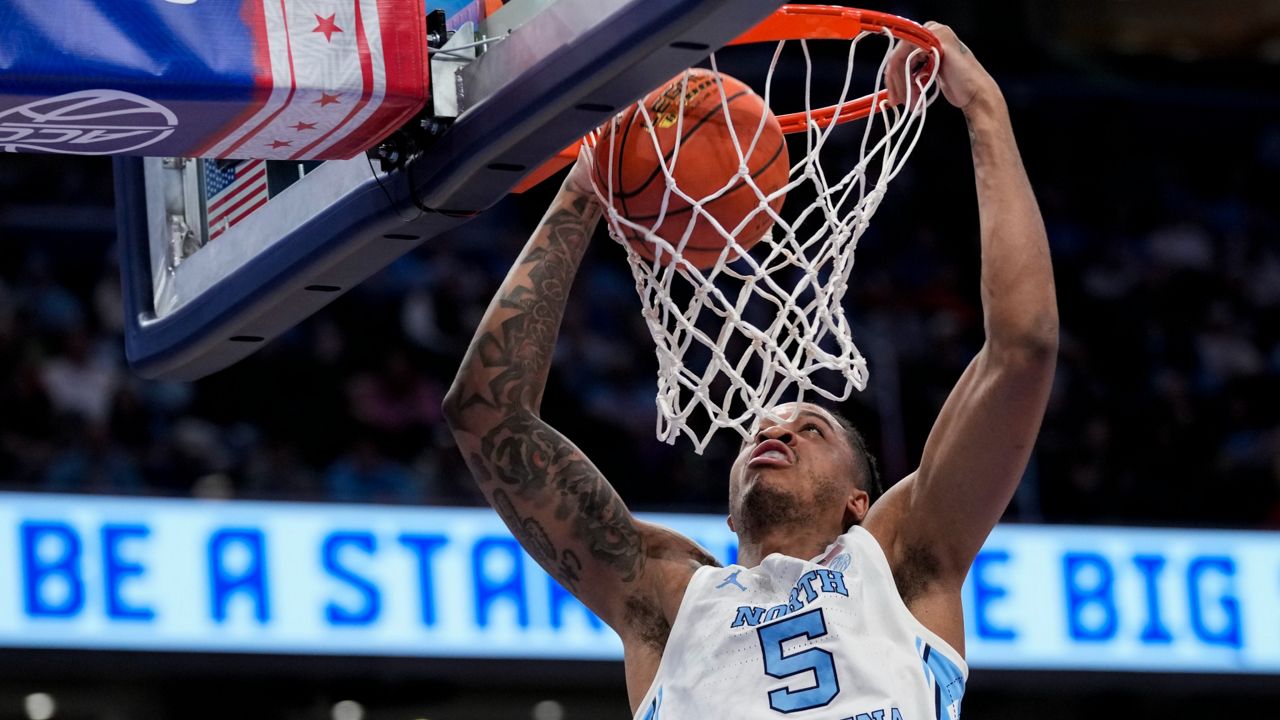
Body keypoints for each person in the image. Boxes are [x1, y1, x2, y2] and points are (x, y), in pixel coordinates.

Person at [444, 24, 1057, 720]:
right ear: (730, 504)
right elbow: (485, 416)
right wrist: (586, 190)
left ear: (860, 501)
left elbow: (1022, 348)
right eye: (767, 425)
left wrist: (983, 106)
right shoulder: (666, 601)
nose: (777, 428)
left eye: (813, 428)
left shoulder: (900, 564)